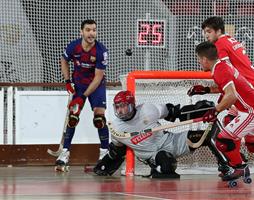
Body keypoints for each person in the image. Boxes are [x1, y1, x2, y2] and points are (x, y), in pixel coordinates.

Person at [193, 41, 254, 181]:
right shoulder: (223, 65)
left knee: (222, 140)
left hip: (252, 110)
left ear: (205, 59)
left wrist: (214, 111)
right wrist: (206, 90)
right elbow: (228, 87)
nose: (199, 63)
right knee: (253, 143)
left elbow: (231, 95)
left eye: (199, 59)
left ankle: (239, 167)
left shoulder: (219, 70)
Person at [93, 90, 228, 178]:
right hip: (153, 155)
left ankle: (228, 164)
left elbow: (173, 112)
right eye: (118, 107)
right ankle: (157, 169)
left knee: (206, 134)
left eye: (124, 106)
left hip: (169, 141)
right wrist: (103, 165)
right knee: (167, 166)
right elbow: (117, 150)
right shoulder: (116, 127)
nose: (121, 110)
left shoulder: (147, 109)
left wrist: (197, 110)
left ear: (132, 105)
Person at [56, 19, 109, 171]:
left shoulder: (101, 51)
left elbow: (98, 77)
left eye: (94, 30)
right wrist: (67, 81)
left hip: (96, 85)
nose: (91, 33)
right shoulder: (74, 46)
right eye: (88, 30)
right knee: (73, 118)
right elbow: (64, 61)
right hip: (78, 84)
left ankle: (104, 153)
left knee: (99, 119)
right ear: (81, 32)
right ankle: (65, 153)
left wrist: (83, 96)